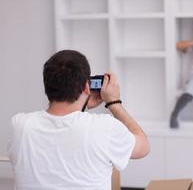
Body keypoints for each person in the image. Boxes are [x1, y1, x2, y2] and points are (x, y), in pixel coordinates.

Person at [7, 50, 150, 190]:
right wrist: (114, 103)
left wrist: (81, 105)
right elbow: (143, 147)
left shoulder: (20, 126)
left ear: (47, 86)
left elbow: (64, 127)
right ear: (86, 87)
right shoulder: (105, 128)